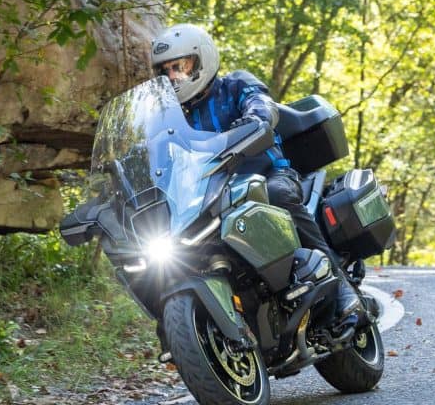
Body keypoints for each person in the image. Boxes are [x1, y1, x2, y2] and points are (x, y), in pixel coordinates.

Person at [149, 23, 363, 322]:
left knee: (277, 194)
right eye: (166, 71)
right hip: (210, 195)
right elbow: (155, 158)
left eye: (180, 66)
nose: (173, 77)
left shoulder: (235, 85)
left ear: (201, 60)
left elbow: (260, 103)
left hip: (267, 174)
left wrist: (257, 116)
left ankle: (341, 287)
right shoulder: (169, 121)